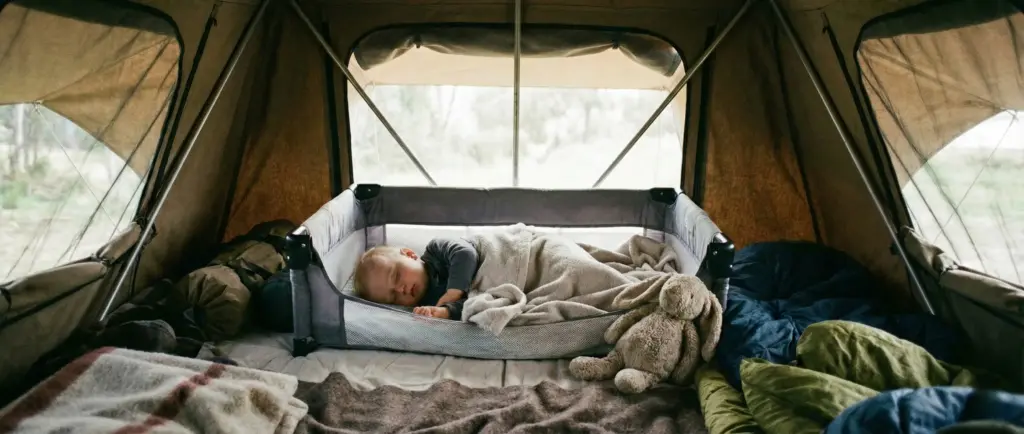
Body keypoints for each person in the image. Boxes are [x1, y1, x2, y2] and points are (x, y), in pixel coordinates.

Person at [352, 238, 479, 320]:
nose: (401, 290)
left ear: (409, 254)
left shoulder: (436, 251)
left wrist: (453, 292)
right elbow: (472, 307)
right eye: (394, 297)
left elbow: (466, 253)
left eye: (397, 276)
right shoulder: (427, 306)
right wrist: (445, 312)